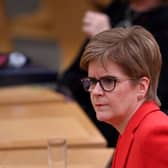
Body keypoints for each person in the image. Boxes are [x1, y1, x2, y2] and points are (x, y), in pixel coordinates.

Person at [58, 0, 168, 147]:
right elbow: (71, 78)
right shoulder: (117, 8)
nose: (96, 91)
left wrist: (107, 40)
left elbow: (155, 95)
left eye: (108, 81)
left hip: (120, 135)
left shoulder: (163, 24)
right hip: (91, 126)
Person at [80, 26, 168, 167]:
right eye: (92, 81)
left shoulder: (154, 133)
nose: (96, 91)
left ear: (142, 87)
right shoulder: (128, 128)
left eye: (108, 81)